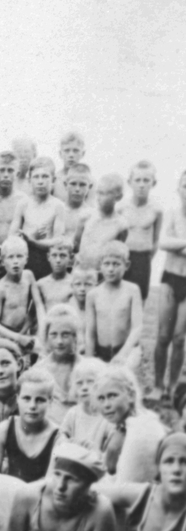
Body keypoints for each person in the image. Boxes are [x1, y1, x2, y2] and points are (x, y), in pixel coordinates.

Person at [4, 443, 115, 531]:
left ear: (89, 485)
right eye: (57, 474)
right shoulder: (27, 496)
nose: (60, 486)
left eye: (72, 479)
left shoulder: (101, 509)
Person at [98, 433, 186, 531]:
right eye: (168, 461)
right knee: (100, 504)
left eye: (184, 461)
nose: (176, 470)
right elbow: (91, 490)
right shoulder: (143, 494)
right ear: (159, 467)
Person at [0, 369, 61, 482]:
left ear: (50, 401)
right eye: (26, 398)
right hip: (9, 491)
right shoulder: (4, 429)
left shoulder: (57, 437)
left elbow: (50, 484)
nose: (32, 406)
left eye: (40, 400)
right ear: (17, 399)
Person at [153, 169, 186, 402]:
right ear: (178, 189)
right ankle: (157, 385)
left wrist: (177, 244)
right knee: (163, 336)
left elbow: (171, 244)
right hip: (170, 278)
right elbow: (163, 242)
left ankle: (172, 386)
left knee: (179, 338)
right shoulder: (173, 213)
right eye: (185, 185)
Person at [84, 240, 142, 369]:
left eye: (116, 264)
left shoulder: (132, 290)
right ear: (100, 265)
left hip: (126, 350)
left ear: (126, 265)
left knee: (120, 375)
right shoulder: (93, 295)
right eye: (107, 264)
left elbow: (137, 328)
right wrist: (88, 360)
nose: (111, 269)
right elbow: (90, 333)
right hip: (101, 351)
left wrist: (123, 354)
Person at [9, 156, 66, 279]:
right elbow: (12, 237)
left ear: (53, 179)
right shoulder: (23, 204)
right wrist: (30, 238)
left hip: (48, 262)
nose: (40, 181)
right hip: (25, 260)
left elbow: (58, 241)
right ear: (29, 180)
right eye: (36, 177)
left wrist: (33, 241)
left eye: (45, 176)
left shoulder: (58, 206)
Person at [0, 236, 41, 352]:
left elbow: (38, 305)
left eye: (19, 256)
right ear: (3, 261)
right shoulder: (1, 288)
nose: (15, 261)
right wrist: (17, 337)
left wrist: (29, 329)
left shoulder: (28, 276)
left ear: (26, 259)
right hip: (5, 335)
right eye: (10, 257)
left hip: (23, 331)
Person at [120, 160, 162, 301]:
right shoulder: (121, 208)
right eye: (137, 180)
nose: (142, 185)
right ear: (130, 182)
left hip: (142, 259)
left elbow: (155, 240)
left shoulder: (156, 210)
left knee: (139, 299)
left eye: (146, 180)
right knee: (118, 298)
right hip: (122, 257)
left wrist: (146, 259)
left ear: (153, 183)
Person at [75, 172, 128, 271]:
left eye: (104, 194)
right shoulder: (86, 216)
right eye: (98, 192)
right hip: (81, 270)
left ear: (118, 197)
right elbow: (76, 243)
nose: (98, 198)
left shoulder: (121, 224)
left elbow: (117, 251)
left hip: (102, 273)